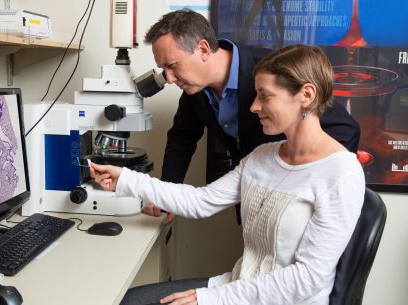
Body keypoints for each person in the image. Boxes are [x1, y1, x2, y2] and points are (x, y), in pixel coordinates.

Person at [90, 44, 366, 305]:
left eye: (265, 96)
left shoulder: (341, 173)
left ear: (306, 95)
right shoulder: (262, 156)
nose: (253, 106)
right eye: (256, 94)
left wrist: (213, 298)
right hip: (238, 286)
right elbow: (201, 201)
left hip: (280, 298)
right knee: (128, 300)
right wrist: (125, 179)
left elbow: (308, 278)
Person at [141, 10, 360, 225]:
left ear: (203, 49)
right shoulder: (194, 88)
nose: (169, 78)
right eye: (163, 70)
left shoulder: (270, 71)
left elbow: (346, 130)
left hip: (294, 214)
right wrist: (165, 194)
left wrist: (306, 188)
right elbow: (182, 137)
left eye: (172, 65)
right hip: (254, 206)